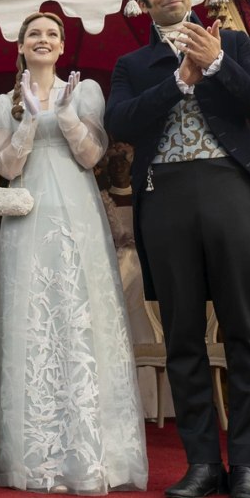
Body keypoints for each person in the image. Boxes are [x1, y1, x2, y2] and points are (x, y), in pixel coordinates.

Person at [105, 0, 250, 498]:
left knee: (244, 332)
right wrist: (180, 81)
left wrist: (218, 65)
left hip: (230, 190)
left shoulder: (231, 43)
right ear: (144, 0)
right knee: (181, 336)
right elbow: (120, 123)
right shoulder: (132, 64)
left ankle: (247, 465)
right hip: (164, 198)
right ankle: (203, 463)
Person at [0, 12, 148, 495]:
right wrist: (30, 120)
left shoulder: (86, 92)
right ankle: (35, 460)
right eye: (34, 33)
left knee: (83, 321)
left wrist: (67, 113)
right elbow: (5, 164)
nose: (43, 39)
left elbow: (92, 156)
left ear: (61, 48)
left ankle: (96, 457)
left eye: (52, 34)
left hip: (78, 214)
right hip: (28, 217)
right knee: (34, 322)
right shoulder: (0, 103)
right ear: (20, 46)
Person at [99, 144, 176, 421]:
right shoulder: (103, 199)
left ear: (131, 166)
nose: (118, 167)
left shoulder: (144, 195)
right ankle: (118, 404)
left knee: (149, 326)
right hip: (115, 268)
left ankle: (155, 404)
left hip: (146, 266)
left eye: (122, 162)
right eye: (113, 163)